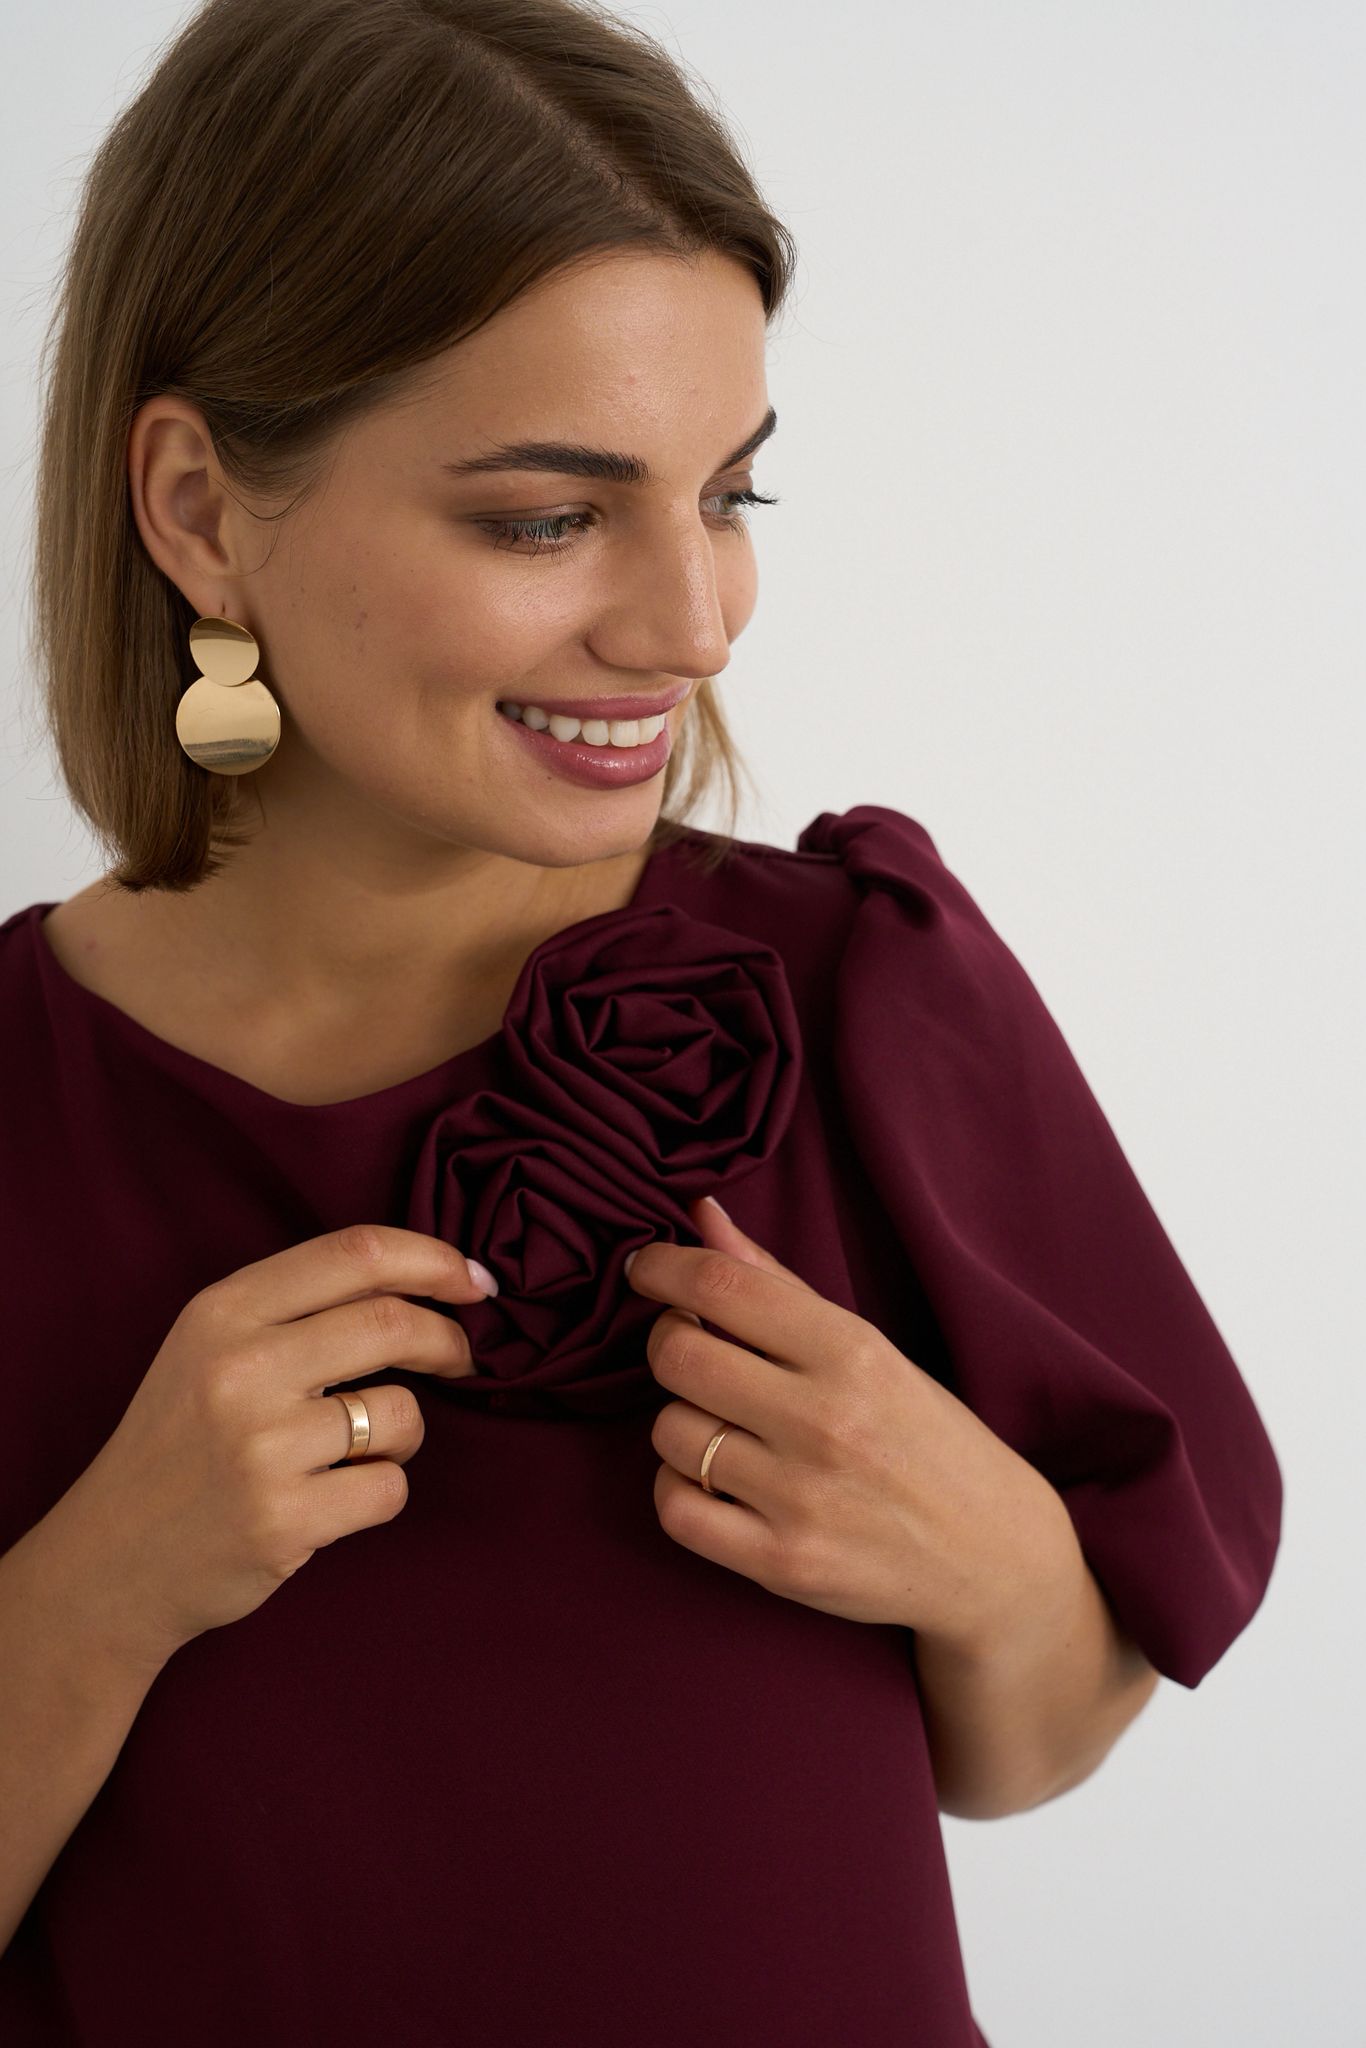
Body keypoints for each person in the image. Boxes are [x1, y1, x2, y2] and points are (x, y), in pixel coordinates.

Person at [0, 0, 1283, 2041]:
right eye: (545, 516)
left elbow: (1038, 1742)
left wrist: (989, 1563)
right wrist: (98, 1587)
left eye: (728, 497)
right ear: (200, 509)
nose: (692, 624)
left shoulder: (863, 991)